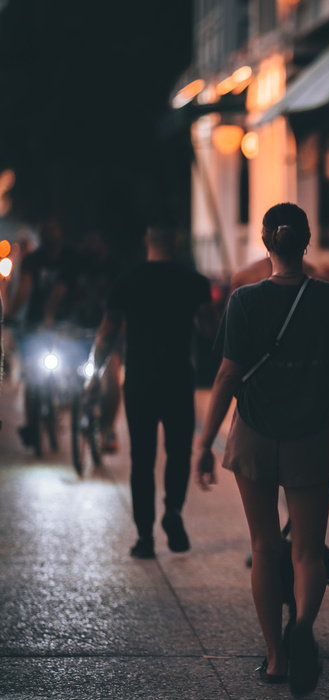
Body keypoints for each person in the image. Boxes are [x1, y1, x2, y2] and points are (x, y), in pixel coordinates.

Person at [193, 203, 329, 696]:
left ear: (266, 243)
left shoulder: (244, 301)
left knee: (265, 547)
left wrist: (205, 442)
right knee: (308, 550)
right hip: (311, 434)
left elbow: (226, 375)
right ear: (306, 242)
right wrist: (328, 409)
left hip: (255, 434)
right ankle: (304, 625)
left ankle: (275, 659)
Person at [90, 226, 217, 559]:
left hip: (140, 381)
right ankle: (173, 510)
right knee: (178, 453)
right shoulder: (194, 282)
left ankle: (144, 538)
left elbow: (107, 333)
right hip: (178, 378)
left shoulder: (127, 280)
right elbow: (209, 329)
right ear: (175, 241)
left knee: (141, 461)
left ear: (146, 240)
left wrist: (93, 372)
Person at [45, 230, 123, 452]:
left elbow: (121, 304)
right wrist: (49, 317)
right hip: (77, 330)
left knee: (111, 374)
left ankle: (108, 429)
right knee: (61, 364)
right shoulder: (75, 266)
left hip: (107, 333)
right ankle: (66, 399)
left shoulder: (114, 269)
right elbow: (59, 291)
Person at [6, 218, 79, 448]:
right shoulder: (32, 261)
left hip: (66, 321)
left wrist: (52, 316)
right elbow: (24, 289)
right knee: (31, 376)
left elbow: (65, 288)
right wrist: (11, 315)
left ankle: (72, 398)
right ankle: (31, 422)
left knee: (73, 368)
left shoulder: (70, 258)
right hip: (35, 323)